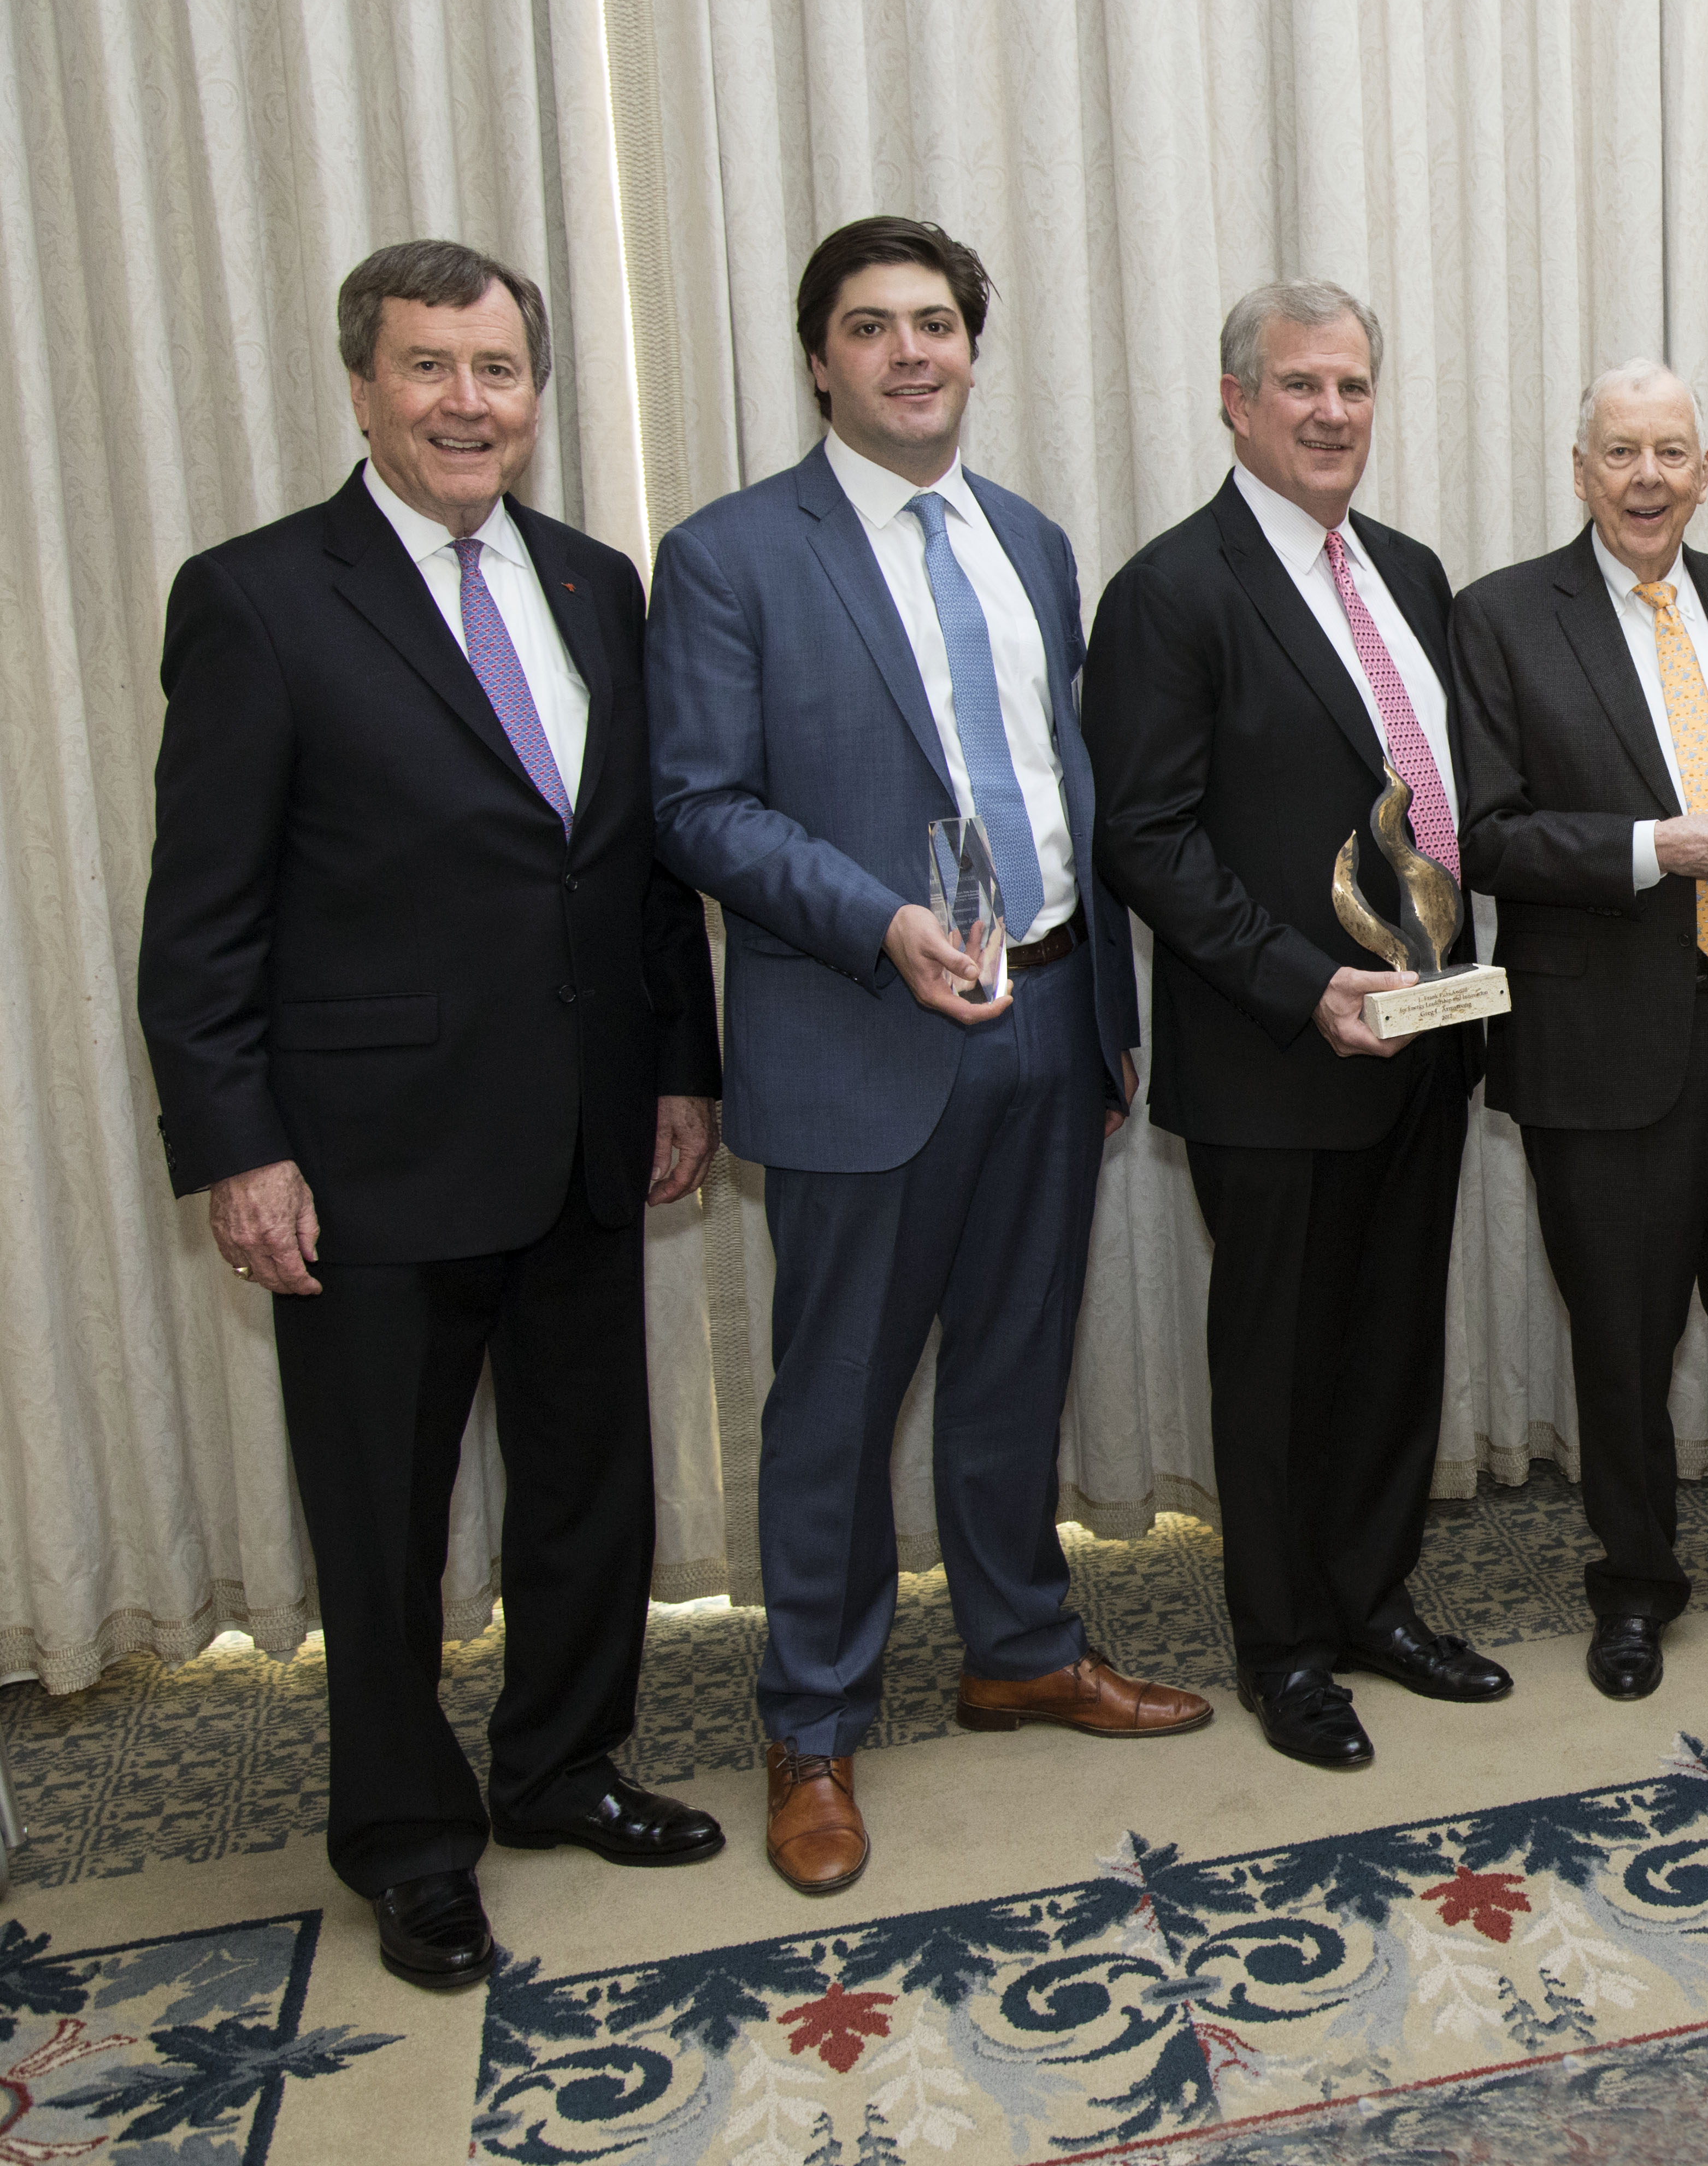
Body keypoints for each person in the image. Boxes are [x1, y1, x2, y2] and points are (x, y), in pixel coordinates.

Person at [136, 239, 725, 1987]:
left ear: (534, 395)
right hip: (369, 1156)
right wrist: (238, 1145)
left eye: (497, 371)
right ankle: (406, 1837)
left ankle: (560, 1765)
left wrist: (682, 1067)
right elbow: (202, 916)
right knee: (382, 1524)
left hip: (586, 1133)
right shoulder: (255, 598)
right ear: (362, 386)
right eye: (429, 369)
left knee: (586, 1488)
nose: (468, 403)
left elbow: (629, 870)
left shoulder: (593, 580)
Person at [648, 216, 1205, 1894]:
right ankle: (809, 1726)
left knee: (1018, 1366)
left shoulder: (1032, 543)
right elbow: (696, 804)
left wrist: (1104, 1011)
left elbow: (1067, 794)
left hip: (1046, 1013)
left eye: (939, 325)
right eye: (872, 327)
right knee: (833, 1402)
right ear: (818, 357)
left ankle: (1018, 1645)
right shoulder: (733, 553)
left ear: (974, 348)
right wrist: (880, 921)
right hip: (862, 1028)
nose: (911, 353)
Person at [1085, 281, 1512, 1772]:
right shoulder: (1170, 590)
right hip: (1277, 1050)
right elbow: (1144, 837)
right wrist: (1293, 981)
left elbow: (1437, 801)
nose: (1330, 413)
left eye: (1351, 387)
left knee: (1395, 1340)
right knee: (1277, 1363)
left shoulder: (1406, 567)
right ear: (1234, 399)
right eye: (1298, 387)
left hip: (1432, 1028)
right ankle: (1281, 1647)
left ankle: (1370, 1598)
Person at [1448, 360, 1708, 1702]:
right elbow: (1488, 831)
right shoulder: (1503, 616)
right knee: (1621, 1340)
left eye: (1672, 454)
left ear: (1706, 470)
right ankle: (1635, 1581)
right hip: (1599, 1045)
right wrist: (1655, 845)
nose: (1648, 479)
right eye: (1621, 453)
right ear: (1580, 471)